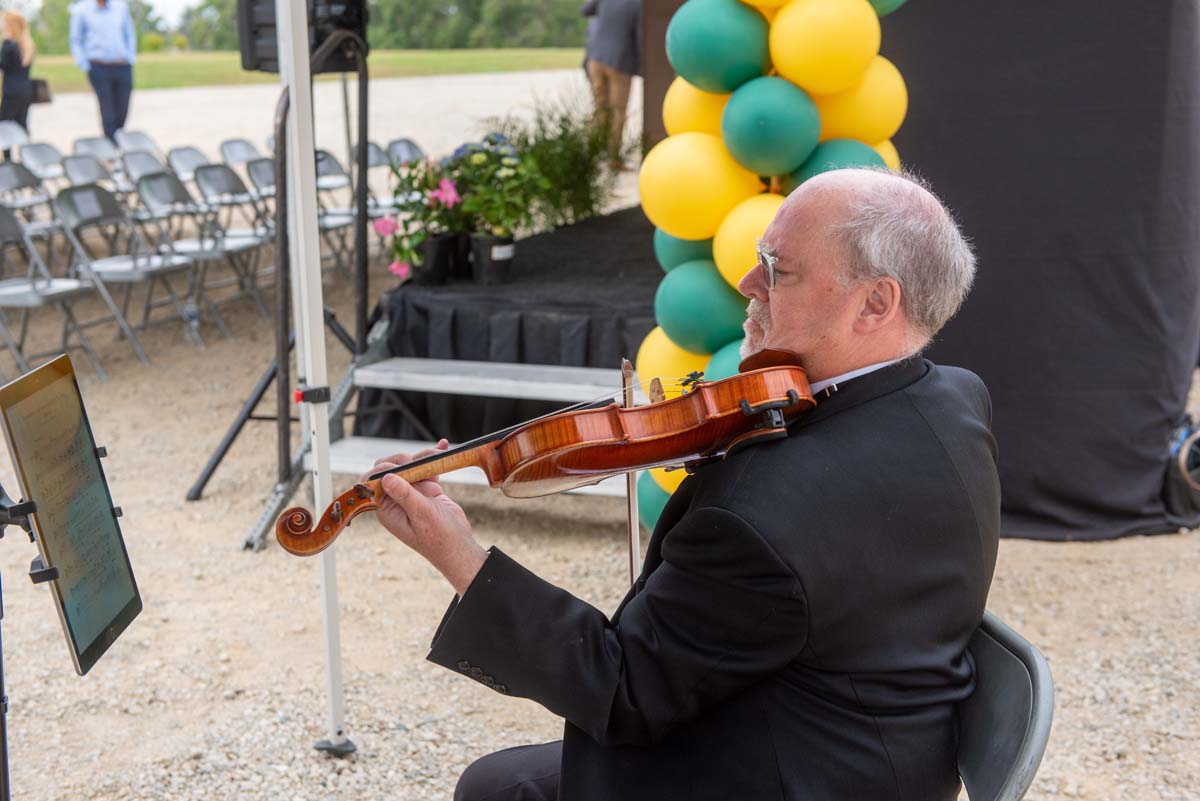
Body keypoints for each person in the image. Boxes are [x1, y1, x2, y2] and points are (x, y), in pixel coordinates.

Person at [373, 167, 1000, 801]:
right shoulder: (954, 400)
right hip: (891, 750)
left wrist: (459, 555)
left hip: (796, 774)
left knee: (495, 790)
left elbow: (621, 692)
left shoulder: (763, 513)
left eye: (779, 270)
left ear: (874, 304)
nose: (748, 283)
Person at [583, 0, 641, 170]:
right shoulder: (639, 4)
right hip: (620, 61)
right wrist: (641, 66)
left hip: (595, 57)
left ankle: (591, 155)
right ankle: (613, 158)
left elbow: (585, 10)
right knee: (618, 111)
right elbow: (641, 36)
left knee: (600, 108)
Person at [69, 0, 136, 142]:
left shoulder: (121, 6)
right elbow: (76, 39)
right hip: (98, 66)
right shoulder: (81, 9)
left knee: (123, 109)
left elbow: (129, 34)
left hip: (122, 64)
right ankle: (111, 148)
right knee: (108, 111)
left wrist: (130, 57)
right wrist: (84, 64)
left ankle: (118, 141)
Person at [0, 10, 34, 161]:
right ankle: (27, 157)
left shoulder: (9, 44)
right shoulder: (26, 44)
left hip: (11, 91)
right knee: (22, 124)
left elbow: (3, 66)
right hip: (26, 90)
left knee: (5, 125)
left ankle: (8, 159)